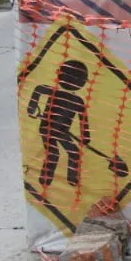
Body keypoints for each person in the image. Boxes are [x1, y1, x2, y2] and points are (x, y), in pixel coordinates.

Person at [27, 59, 91, 188]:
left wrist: (85, 136)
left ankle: (70, 180)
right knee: (56, 153)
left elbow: (83, 120)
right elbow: (39, 89)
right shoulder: (58, 93)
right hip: (48, 128)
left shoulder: (78, 101)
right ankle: (46, 180)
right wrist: (32, 108)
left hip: (61, 131)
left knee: (71, 153)